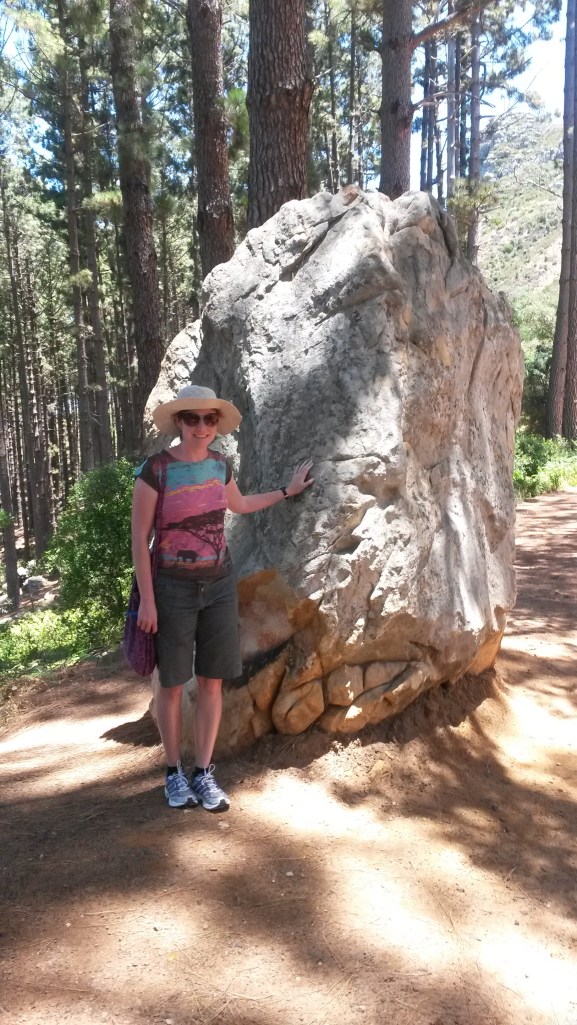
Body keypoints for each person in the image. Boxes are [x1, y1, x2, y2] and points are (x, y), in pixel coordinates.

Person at [131, 384, 313, 812]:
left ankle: (204, 773)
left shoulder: (220, 466)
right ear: (179, 421)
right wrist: (149, 601)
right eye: (192, 418)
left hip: (217, 586)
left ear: (217, 424)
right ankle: (174, 773)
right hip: (171, 587)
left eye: (208, 419)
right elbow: (140, 541)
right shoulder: (155, 470)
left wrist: (287, 491)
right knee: (172, 683)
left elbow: (241, 504)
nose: (201, 426)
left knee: (212, 680)